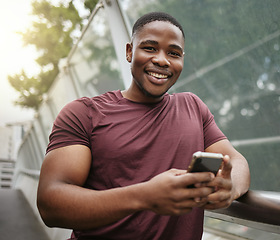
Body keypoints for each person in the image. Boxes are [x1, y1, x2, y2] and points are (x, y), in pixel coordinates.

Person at [37, 12, 250, 240]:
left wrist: (231, 189)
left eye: (174, 53)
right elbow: (50, 204)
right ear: (129, 52)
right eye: (149, 48)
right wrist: (145, 196)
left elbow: (236, 161)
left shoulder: (193, 107)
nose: (162, 60)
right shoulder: (84, 113)